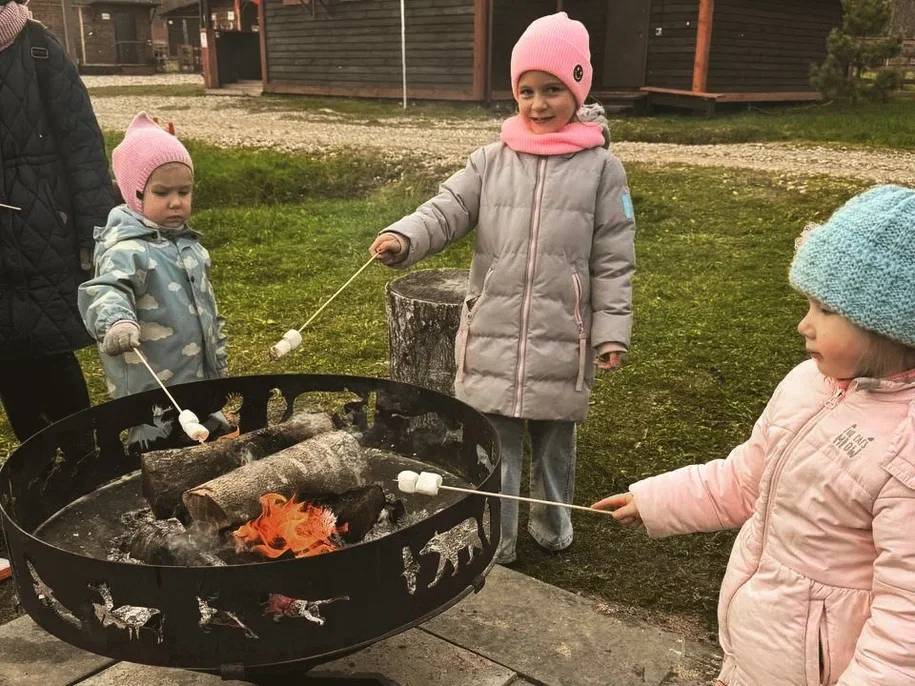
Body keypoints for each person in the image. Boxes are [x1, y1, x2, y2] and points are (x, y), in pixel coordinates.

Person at [593, 185, 915, 685]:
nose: (804, 325)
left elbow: (904, 624)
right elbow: (746, 479)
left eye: (825, 310)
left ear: (892, 327)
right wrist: (655, 500)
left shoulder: (904, 452)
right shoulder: (806, 385)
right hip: (762, 641)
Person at [371, 12, 636, 565]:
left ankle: (553, 525)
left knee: (555, 439)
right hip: (493, 328)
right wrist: (405, 236)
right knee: (497, 441)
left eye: (553, 90)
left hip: (563, 332)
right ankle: (501, 537)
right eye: (527, 91)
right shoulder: (489, 162)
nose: (538, 104)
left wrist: (611, 331)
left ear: (578, 89)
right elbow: (446, 209)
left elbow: (614, 258)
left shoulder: (602, 169)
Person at [79, 112, 229, 451]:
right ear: (135, 195)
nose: (176, 202)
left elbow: (206, 307)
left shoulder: (191, 246)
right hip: (150, 388)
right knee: (159, 450)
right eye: (162, 193)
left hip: (199, 373)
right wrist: (116, 321)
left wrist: (217, 352)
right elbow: (107, 289)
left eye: (184, 191)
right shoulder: (125, 249)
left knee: (205, 443)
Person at [0, 1, 113, 448]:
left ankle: (83, 459)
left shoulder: (38, 47)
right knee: (6, 360)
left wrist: (94, 230)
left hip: (43, 230)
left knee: (51, 349)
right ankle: (37, 466)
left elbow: (82, 144)